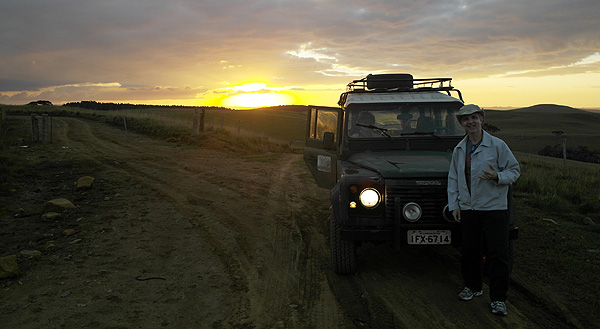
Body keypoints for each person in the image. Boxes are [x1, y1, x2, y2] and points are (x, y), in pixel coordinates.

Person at [447, 104, 520, 316]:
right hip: (469, 208)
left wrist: (498, 177)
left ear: (481, 119)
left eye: (474, 118)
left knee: (498, 253)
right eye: (465, 119)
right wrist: (455, 205)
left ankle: (498, 298)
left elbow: (514, 170)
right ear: (461, 124)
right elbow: (453, 178)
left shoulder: (497, 145)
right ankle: (473, 287)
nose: (470, 122)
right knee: (470, 251)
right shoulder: (460, 149)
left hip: (494, 207)